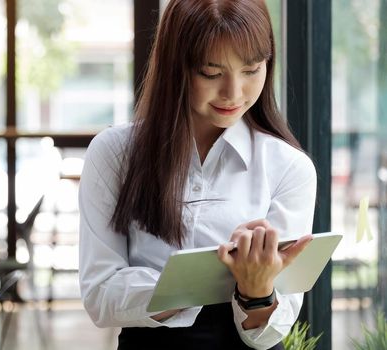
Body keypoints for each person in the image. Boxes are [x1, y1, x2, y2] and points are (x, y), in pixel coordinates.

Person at [78, 0, 317, 349]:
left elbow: (271, 332)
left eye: (251, 70)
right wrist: (211, 277)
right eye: (211, 72)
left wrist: (257, 291)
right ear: (176, 67)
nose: (233, 93)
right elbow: (101, 295)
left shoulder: (288, 166)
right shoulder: (115, 153)